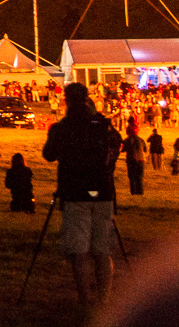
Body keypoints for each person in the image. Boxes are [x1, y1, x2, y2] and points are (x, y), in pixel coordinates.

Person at [43, 81, 124, 306]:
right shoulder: (103, 124)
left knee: (78, 251)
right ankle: (104, 299)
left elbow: (48, 155)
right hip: (103, 191)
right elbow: (118, 144)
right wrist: (109, 167)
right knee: (102, 250)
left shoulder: (62, 127)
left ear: (67, 100)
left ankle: (86, 301)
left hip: (74, 192)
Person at [124, 118, 146, 196]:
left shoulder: (127, 140)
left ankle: (133, 192)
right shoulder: (141, 140)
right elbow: (145, 149)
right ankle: (140, 192)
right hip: (140, 160)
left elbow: (123, 149)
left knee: (132, 177)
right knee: (139, 177)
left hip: (131, 160)